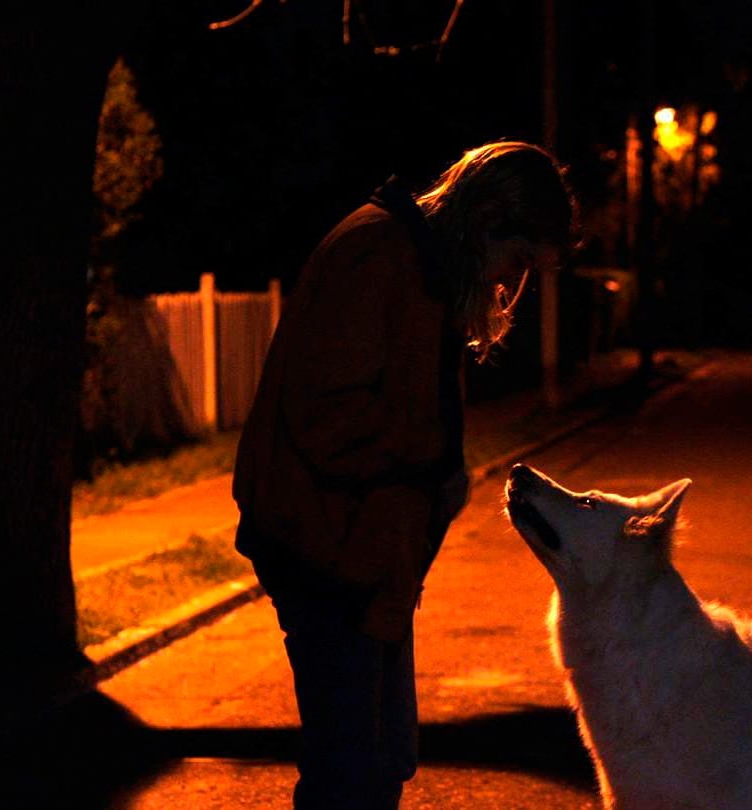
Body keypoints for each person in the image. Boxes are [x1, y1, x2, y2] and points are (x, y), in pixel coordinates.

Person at [232, 141, 576, 809]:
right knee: (351, 774)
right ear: (488, 221)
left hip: (365, 552)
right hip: (328, 549)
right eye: (518, 260)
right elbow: (329, 418)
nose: (512, 283)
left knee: (379, 760)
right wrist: (430, 462)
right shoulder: (378, 256)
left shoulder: (418, 267)